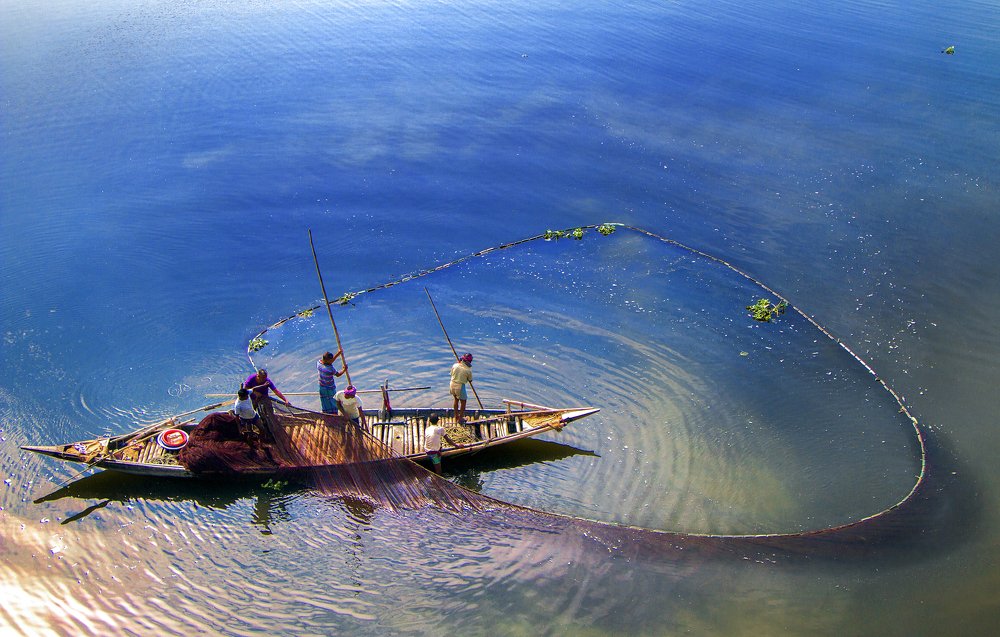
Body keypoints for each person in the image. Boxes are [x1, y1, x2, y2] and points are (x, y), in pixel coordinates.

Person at [317, 350, 347, 414]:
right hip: (329, 388)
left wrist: (338, 354)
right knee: (333, 401)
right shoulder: (329, 369)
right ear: (328, 360)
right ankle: (334, 414)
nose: (331, 361)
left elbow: (329, 361)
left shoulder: (319, 363)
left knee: (325, 401)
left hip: (322, 386)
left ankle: (326, 413)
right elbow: (338, 374)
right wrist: (344, 370)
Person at [450, 353, 474, 425]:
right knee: (463, 402)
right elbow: (470, 380)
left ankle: (456, 416)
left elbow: (451, 374)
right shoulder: (468, 370)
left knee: (456, 400)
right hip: (460, 386)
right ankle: (460, 418)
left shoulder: (455, 365)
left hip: (452, 384)